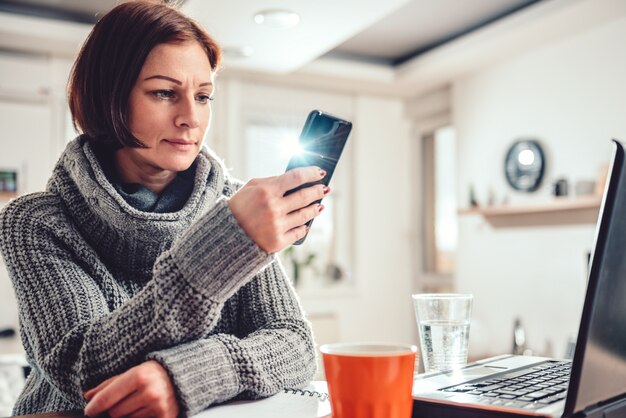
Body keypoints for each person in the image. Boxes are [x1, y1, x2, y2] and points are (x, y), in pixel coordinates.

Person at [0, 1, 327, 417]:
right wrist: (226, 245)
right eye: (164, 93)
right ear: (109, 97)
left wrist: (187, 376)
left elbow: (294, 344)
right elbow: (83, 370)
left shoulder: (231, 204)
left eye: (204, 96)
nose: (191, 117)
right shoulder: (36, 221)